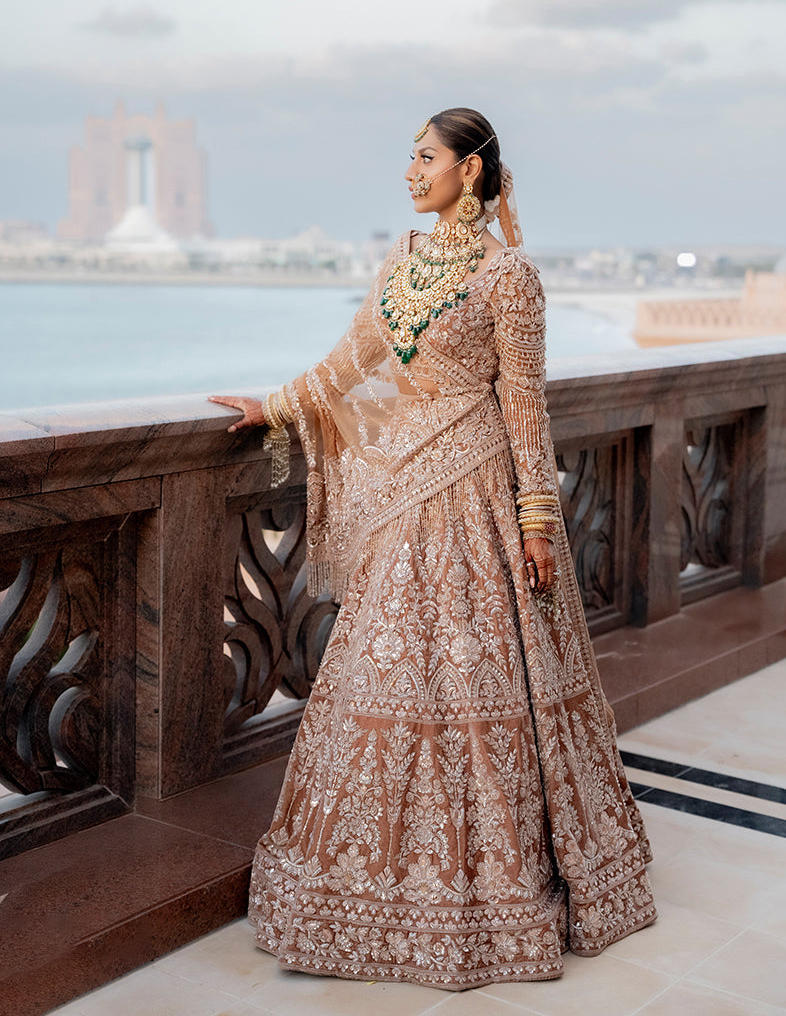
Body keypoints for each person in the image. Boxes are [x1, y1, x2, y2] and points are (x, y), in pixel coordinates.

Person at [209, 107, 656, 990]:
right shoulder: (403, 264)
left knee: (476, 680)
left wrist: (535, 524)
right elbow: (351, 361)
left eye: (425, 158)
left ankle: (490, 892)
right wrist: (279, 404)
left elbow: (527, 407)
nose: (411, 172)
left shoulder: (509, 279)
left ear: (472, 173)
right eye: (409, 158)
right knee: (382, 675)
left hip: (478, 499)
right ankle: (359, 884)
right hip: (408, 499)